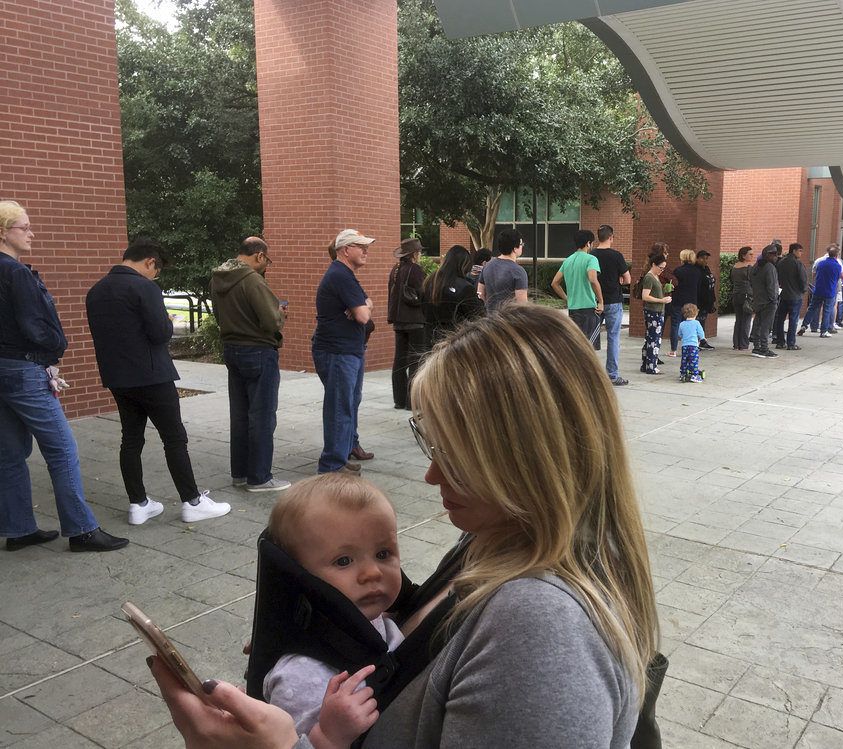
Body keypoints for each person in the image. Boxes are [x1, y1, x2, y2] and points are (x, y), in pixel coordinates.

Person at [150, 303, 659, 749]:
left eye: (456, 456)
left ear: (528, 459)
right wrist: (328, 632)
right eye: (431, 445)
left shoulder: (542, 630)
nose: (431, 473)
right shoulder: (495, 539)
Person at [0, 200, 129, 552]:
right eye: (23, 228)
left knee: (9, 453)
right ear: (3, 232)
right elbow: (34, 326)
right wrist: (56, 346)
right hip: (24, 370)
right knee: (62, 449)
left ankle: (19, 528)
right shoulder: (15, 272)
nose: (31, 233)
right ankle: (82, 530)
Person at [86, 238, 231, 525]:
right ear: (150, 261)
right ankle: (192, 501)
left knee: (131, 439)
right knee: (174, 438)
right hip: (152, 376)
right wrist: (166, 319)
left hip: (118, 377)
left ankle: (138, 504)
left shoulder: (96, 291)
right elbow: (161, 333)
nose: (156, 275)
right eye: (157, 269)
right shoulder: (144, 287)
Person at [263, 474, 403, 741]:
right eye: (343, 561)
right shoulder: (301, 677)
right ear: (299, 576)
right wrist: (328, 736)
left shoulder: (370, 619)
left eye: (383, 554)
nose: (372, 573)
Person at [211, 237, 289, 493]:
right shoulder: (253, 280)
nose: (266, 264)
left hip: (232, 350)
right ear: (259, 255)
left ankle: (241, 473)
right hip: (258, 351)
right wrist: (280, 314)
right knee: (262, 416)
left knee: (240, 414)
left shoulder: (218, 278)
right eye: (267, 259)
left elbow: (218, 315)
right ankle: (260, 477)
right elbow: (270, 321)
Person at [312, 229, 376, 475]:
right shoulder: (340, 275)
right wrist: (362, 307)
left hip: (349, 350)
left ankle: (342, 453)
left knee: (347, 403)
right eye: (360, 246)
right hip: (338, 352)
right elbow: (362, 315)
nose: (366, 250)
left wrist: (363, 306)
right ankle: (332, 465)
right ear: (345, 250)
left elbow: (367, 303)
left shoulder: (346, 275)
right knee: (339, 407)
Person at [387, 238, 426, 410]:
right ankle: (412, 401)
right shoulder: (416, 270)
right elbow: (423, 293)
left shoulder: (395, 270)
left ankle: (399, 400)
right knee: (415, 360)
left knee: (399, 360)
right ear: (414, 254)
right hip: (415, 319)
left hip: (398, 320)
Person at [591, 224, 630, 386]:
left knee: (590, 337)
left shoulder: (591, 255)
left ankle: (589, 373)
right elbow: (628, 279)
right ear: (611, 237)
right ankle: (612, 375)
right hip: (613, 300)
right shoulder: (617, 256)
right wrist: (620, 279)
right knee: (613, 337)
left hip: (594, 301)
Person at [550, 229, 603, 348]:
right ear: (588, 243)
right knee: (589, 348)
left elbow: (554, 283)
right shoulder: (591, 259)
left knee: (576, 347)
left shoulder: (568, 260)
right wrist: (601, 301)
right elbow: (593, 279)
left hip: (573, 309)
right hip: (589, 309)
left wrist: (567, 298)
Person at [421, 244, 484, 344]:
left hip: (430, 338)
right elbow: (477, 315)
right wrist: (480, 300)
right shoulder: (465, 287)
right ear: (465, 265)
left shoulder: (430, 282)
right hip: (455, 341)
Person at [478, 230, 528, 312]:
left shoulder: (487, 266)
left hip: (490, 319)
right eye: (521, 244)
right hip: (508, 321)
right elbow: (522, 305)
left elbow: (480, 294)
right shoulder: (518, 271)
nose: (522, 246)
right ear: (515, 248)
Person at [640, 249, 672, 374]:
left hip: (657, 310)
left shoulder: (655, 276)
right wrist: (661, 300)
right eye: (660, 267)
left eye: (663, 268)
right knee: (654, 339)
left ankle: (646, 364)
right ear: (653, 264)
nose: (661, 270)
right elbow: (645, 296)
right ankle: (651, 366)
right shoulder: (649, 277)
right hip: (653, 311)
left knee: (650, 338)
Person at [773, 242, 807, 350]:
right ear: (794, 251)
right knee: (793, 320)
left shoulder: (781, 262)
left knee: (780, 319)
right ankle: (791, 343)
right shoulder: (797, 264)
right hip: (795, 295)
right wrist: (803, 290)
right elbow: (803, 279)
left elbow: (777, 277)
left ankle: (780, 341)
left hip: (784, 294)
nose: (801, 253)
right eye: (800, 251)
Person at [804, 246, 843, 337]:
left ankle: (804, 325)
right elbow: (838, 278)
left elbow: (814, 274)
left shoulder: (820, 263)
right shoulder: (837, 265)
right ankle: (824, 331)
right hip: (830, 290)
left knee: (812, 308)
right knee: (827, 311)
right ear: (837, 255)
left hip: (818, 289)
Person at [667, 249, 700, 357]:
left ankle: (673, 350)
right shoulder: (697, 271)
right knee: (691, 325)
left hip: (678, 300)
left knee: (675, 325)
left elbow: (673, 285)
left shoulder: (678, 271)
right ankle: (690, 348)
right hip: (692, 301)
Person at [749, 245, 780, 358]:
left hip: (758, 300)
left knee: (757, 324)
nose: (776, 257)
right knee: (766, 326)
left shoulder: (755, 266)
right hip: (768, 301)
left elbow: (751, 282)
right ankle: (764, 348)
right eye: (774, 254)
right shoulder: (769, 267)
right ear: (769, 255)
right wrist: (774, 299)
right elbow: (771, 286)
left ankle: (756, 347)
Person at [731, 246, 755, 350]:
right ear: (743, 255)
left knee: (738, 320)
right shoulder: (749, 267)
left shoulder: (735, 267)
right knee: (746, 321)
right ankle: (744, 344)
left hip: (736, 295)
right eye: (750, 254)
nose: (752, 256)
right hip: (747, 296)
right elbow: (753, 282)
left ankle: (736, 343)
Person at [677, 303, 705, 383]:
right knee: (693, 361)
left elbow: (679, 334)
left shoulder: (682, 324)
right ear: (696, 313)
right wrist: (702, 339)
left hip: (685, 346)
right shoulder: (696, 323)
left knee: (684, 360)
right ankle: (694, 375)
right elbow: (701, 332)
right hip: (693, 346)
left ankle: (683, 374)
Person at [695, 250, 717, 350]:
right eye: (702, 258)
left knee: (702, 321)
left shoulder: (706, 269)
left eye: (706, 258)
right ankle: (696, 342)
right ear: (697, 259)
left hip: (707, 300)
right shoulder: (696, 270)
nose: (705, 260)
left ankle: (702, 341)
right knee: (697, 322)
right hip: (699, 301)